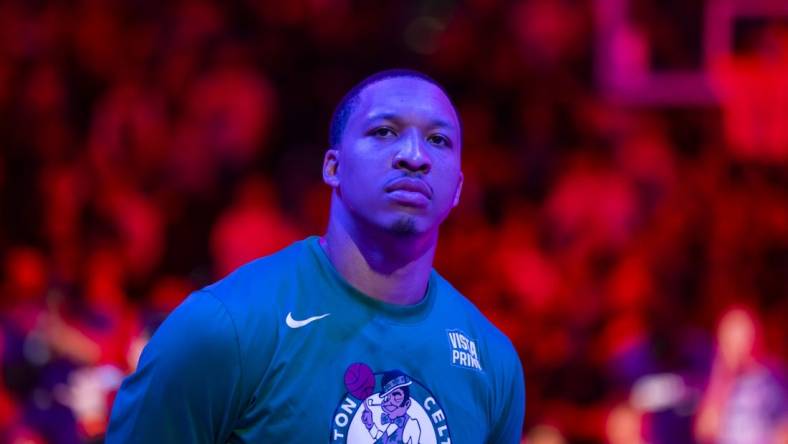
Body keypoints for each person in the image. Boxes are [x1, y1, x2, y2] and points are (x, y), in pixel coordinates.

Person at [106, 69, 525, 443]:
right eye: (384, 132)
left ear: (457, 189)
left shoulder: (493, 363)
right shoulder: (223, 327)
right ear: (332, 167)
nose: (414, 156)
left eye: (438, 140)